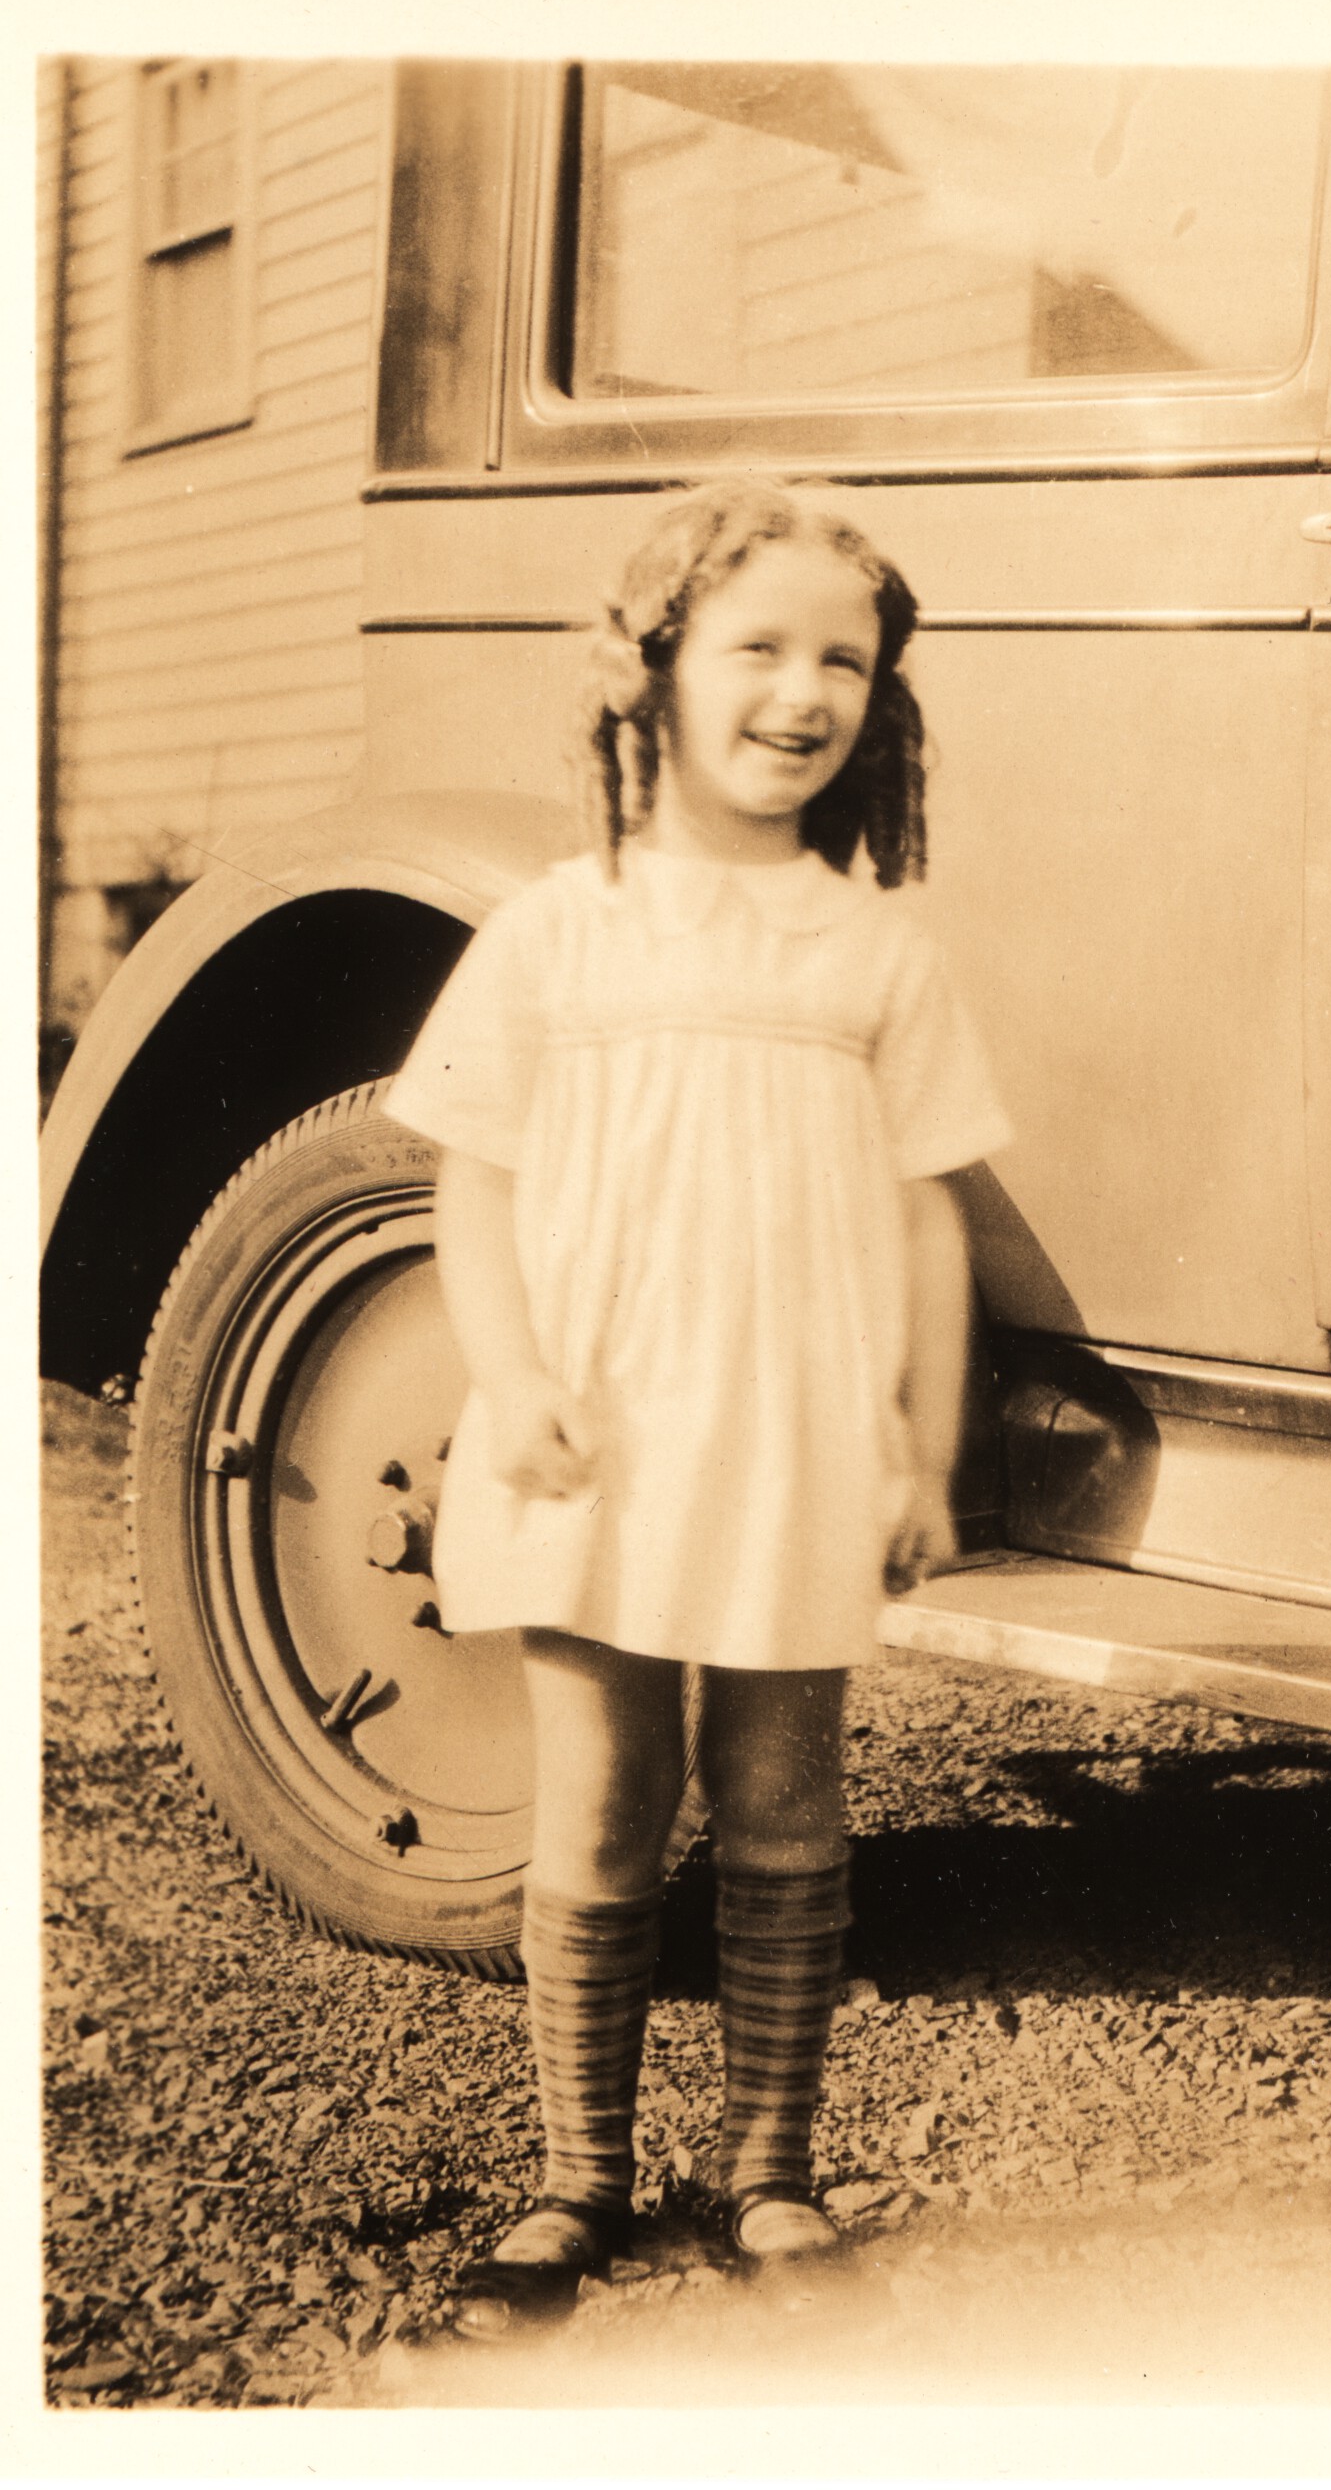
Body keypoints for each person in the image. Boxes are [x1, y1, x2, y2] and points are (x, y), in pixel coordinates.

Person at [385, 479, 1012, 2336]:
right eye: (758, 647)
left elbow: (927, 1213)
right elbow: (470, 1181)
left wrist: (921, 1442)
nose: (802, 691)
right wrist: (507, 1377)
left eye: (846, 660)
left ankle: (771, 2173)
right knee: (599, 1800)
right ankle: (575, 2179)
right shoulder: (558, 932)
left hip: (791, 1444)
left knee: (780, 1798)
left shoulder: (876, 948)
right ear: (649, 670)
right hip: (596, 1434)